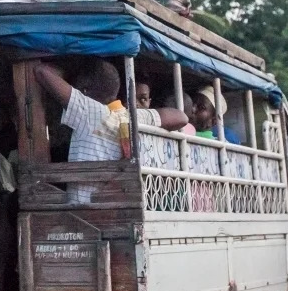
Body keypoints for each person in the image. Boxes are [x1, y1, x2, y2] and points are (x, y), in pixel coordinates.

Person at [33, 58, 189, 204]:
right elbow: (181, 117)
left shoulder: (87, 109)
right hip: (119, 207)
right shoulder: (134, 116)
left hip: (83, 210)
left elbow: (41, 71)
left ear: (85, 91)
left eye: (79, 89)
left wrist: (68, 74)